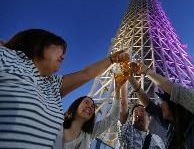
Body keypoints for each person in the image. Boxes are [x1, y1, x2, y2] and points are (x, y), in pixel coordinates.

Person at [0, 29, 128, 149]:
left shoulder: (53, 85)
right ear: (39, 43)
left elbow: (86, 74)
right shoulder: (8, 58)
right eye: (60, 49)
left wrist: (112, 60)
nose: (63, 57)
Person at [127, 73, 194, 149]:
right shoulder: (172, 126)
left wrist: (147, 71)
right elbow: (149, 105)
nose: (160, 105)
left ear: (173, 103)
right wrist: (132, 80)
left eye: (163, 101)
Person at [53, 77, 125, 149]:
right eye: (86, 102)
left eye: (92, 106)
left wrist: (117, 90)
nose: (90, 107)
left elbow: (113, 117)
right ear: (75, 106)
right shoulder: (55, 125)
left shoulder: (89, 134)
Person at [118, 81, 165, 149]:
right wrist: (123, 84)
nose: (139, 114)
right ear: (132, 120)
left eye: (142, 111)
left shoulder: (157, 139)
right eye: (136, 112)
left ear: (149, 118)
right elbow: (123, 106)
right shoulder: (127, 133)